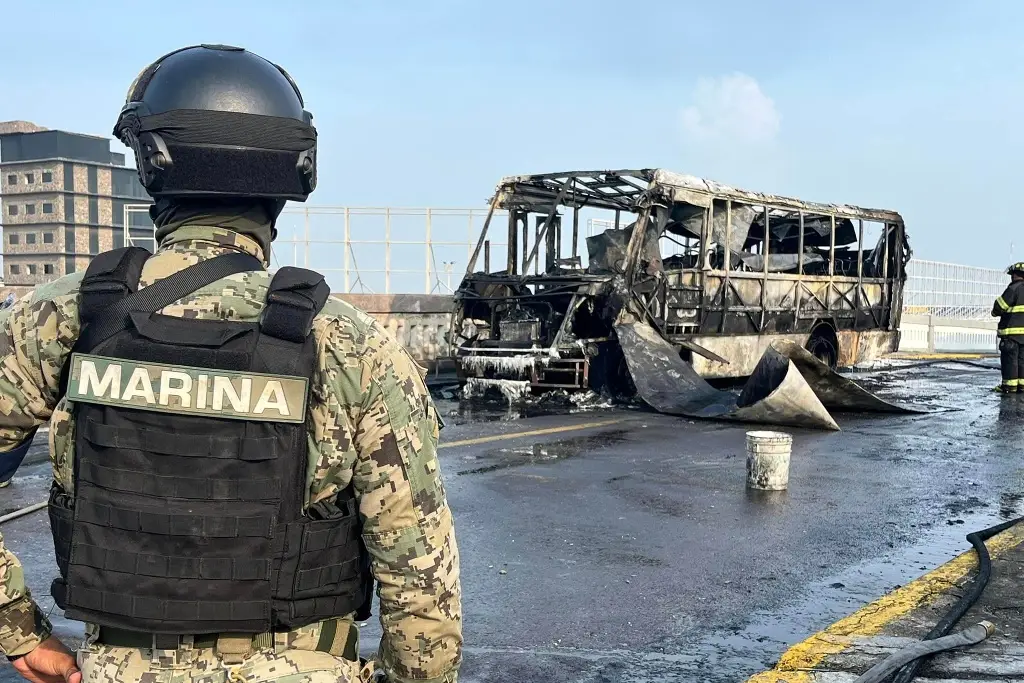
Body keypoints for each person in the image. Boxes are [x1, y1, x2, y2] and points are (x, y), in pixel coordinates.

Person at [0, 44, 461, 683]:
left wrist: (20, 632)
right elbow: (419, 576)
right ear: (289, 177)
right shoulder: (353, 345)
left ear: (152, 165)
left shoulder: (61, 318)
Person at [992, 261, 1024, 393]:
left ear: (1015, 275)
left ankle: (1009, 387)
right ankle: (1022, 386)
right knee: (1022, 362)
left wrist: (995, 311)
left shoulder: (1013, 289)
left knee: (1010, 361)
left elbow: (999, 308)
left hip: (1011, 336)